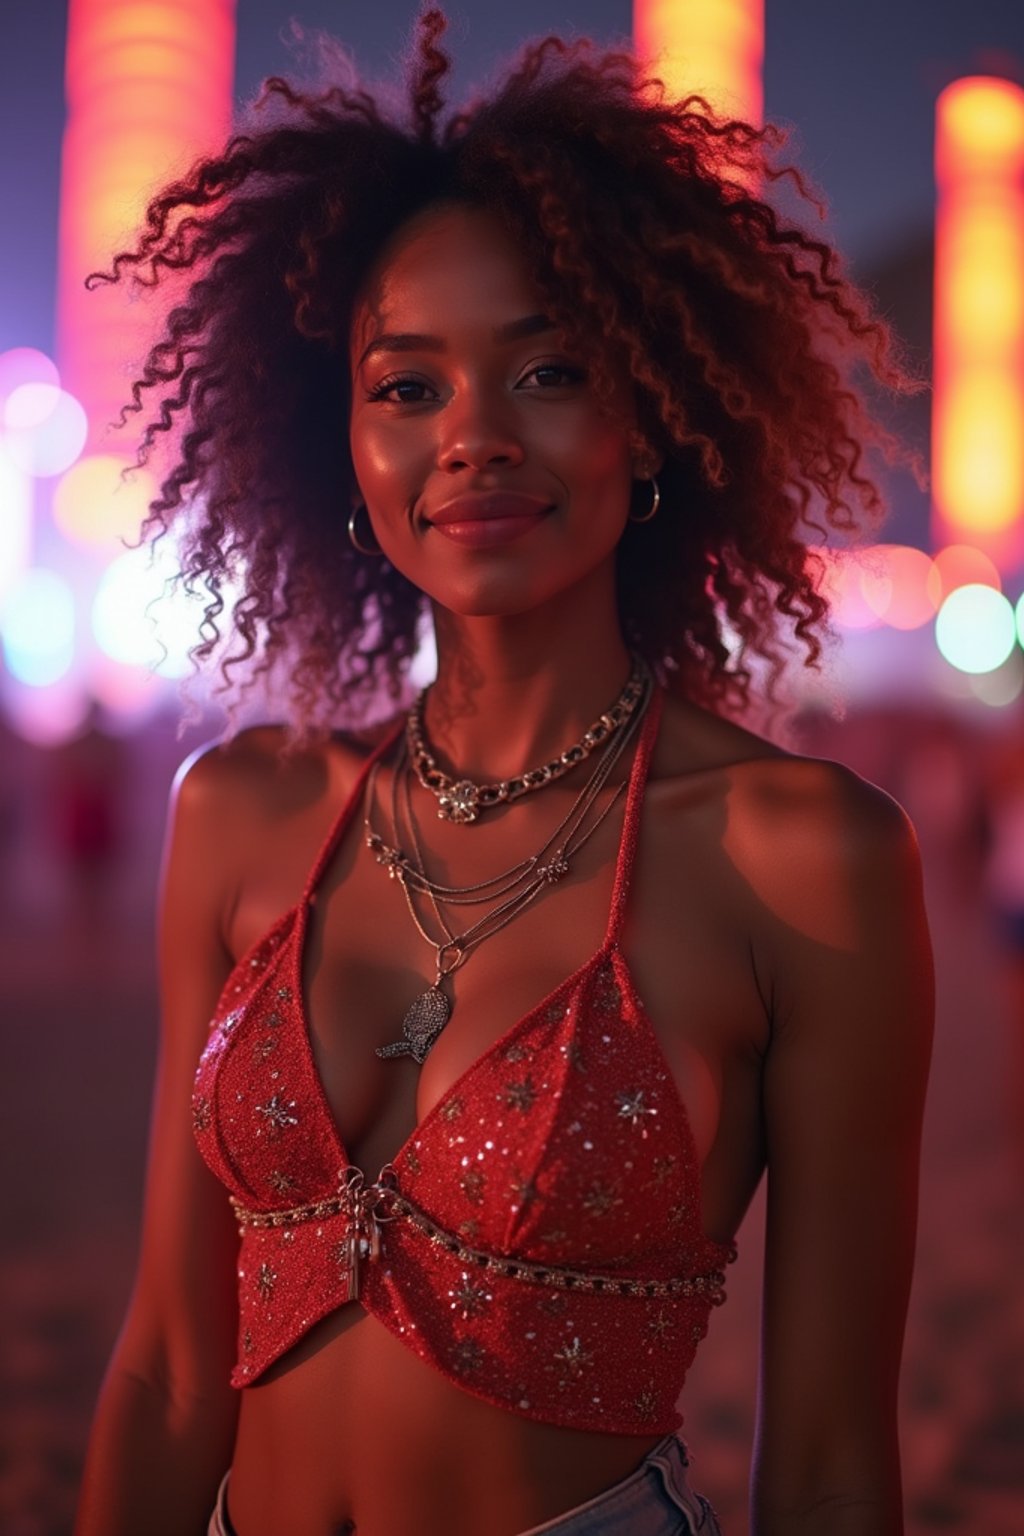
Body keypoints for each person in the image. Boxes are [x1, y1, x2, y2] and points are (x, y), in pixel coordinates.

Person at [74, 10, 934, 1534]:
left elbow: (824, 1468)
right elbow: (161, 1369)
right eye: (407, 387)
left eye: (549, 369)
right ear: (336, 439)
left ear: (651, 416)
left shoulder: (804, 860)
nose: (472, 438)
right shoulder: (241, 814)